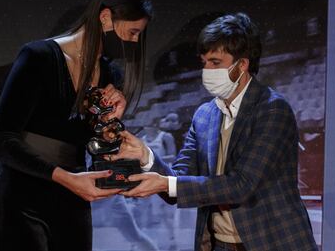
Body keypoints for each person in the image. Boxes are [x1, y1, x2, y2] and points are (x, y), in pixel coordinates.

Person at [108, 13, 318, 251]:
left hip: (272, 242)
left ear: (242, 65)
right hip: (219, 244)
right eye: (204, 62)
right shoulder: (204, 116)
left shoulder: (272, 109)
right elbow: (176, 183)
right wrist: (146, 156)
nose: (206, 70)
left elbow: (242, 184)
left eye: (215, 62)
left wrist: (165, 184)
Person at [0, 0, 152, 251]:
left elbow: (102, 151)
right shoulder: (38, 56)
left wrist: (111, 121)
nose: (134, 43)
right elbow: (1, 141)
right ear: (106, 17)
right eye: (132, 32)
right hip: (20, 199)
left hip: (72, 203)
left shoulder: (111, 74)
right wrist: (65, 178)